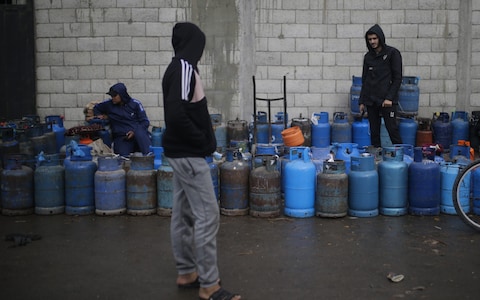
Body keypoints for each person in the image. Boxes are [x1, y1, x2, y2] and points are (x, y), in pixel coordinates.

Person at [162, 22, 241, 300]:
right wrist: (201, 140)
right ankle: (209, 285)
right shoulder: (184, 68)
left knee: (183, 214)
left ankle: (187, 273)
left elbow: (181, 110)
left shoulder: (178, 68)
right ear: (193, 44)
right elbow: (176, 113)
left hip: (179, 153)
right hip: (188, 155)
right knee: (208, 216)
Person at [359, 24, 403, 148]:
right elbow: (365, 80)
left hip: (387, 101)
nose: (372, 42)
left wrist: (389, 98)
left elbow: (397, 78)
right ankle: (376, 157)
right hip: (371, 100)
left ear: (380, 38)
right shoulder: (368, 57)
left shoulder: (392, 53)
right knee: (374, 131)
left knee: (392, 130)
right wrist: (362, 101)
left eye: (374, 38)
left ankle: (401, 156)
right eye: (370, 39)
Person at [93, 82, 152, 156]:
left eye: (115, 95)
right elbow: (96, 108)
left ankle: (149, 156)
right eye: (111, 96)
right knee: (122, 158)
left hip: (137, 134)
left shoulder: (135, 104)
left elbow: (145, 122)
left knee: (141, 132)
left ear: (122, 94)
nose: (113, 98)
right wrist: (100, 115)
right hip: (122, 136)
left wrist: (134, 132)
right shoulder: (108, 104)